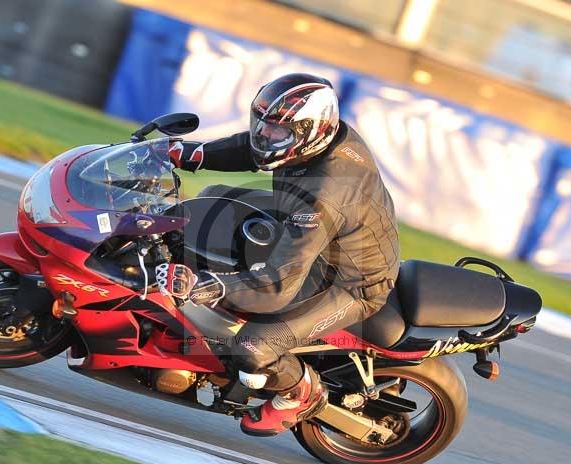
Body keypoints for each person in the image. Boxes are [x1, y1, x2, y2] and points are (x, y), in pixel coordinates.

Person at [167, 73, 400, 436]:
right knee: (208, 203)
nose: (266, 136)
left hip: (351, 282)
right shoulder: (318, 139)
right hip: (318, 236)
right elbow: (256, 148)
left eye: (278, 131)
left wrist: (211, 285)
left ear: (311, 130)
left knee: (253, 345)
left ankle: (301, 392)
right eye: (264, 125)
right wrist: (199, 154)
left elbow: (278, 284)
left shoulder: (324, 192)